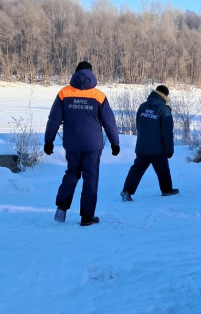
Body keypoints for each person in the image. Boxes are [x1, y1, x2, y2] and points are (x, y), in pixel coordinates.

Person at [44, 61, 120, 226]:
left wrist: (48, 141)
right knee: (90, 178)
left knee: (72, 173)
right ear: (91, 74)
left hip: (72, 143)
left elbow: (54, 119)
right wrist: (115, 143)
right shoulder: (98, 95)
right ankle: (87, 216)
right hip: (93, 145)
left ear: (75, 73)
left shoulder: (64, 93)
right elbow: (109, 122)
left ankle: (62, 205)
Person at [120, 85, 178, 200]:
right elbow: (167, 132)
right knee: (163, 170)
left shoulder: (143, 106)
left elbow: (138, 125)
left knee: (137, 169)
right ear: (165, 96)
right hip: (158, 148)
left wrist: (144, 138)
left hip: (142, 146)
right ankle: (167, 190)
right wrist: (169, 149)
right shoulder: (164, 109)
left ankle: (127, 191)